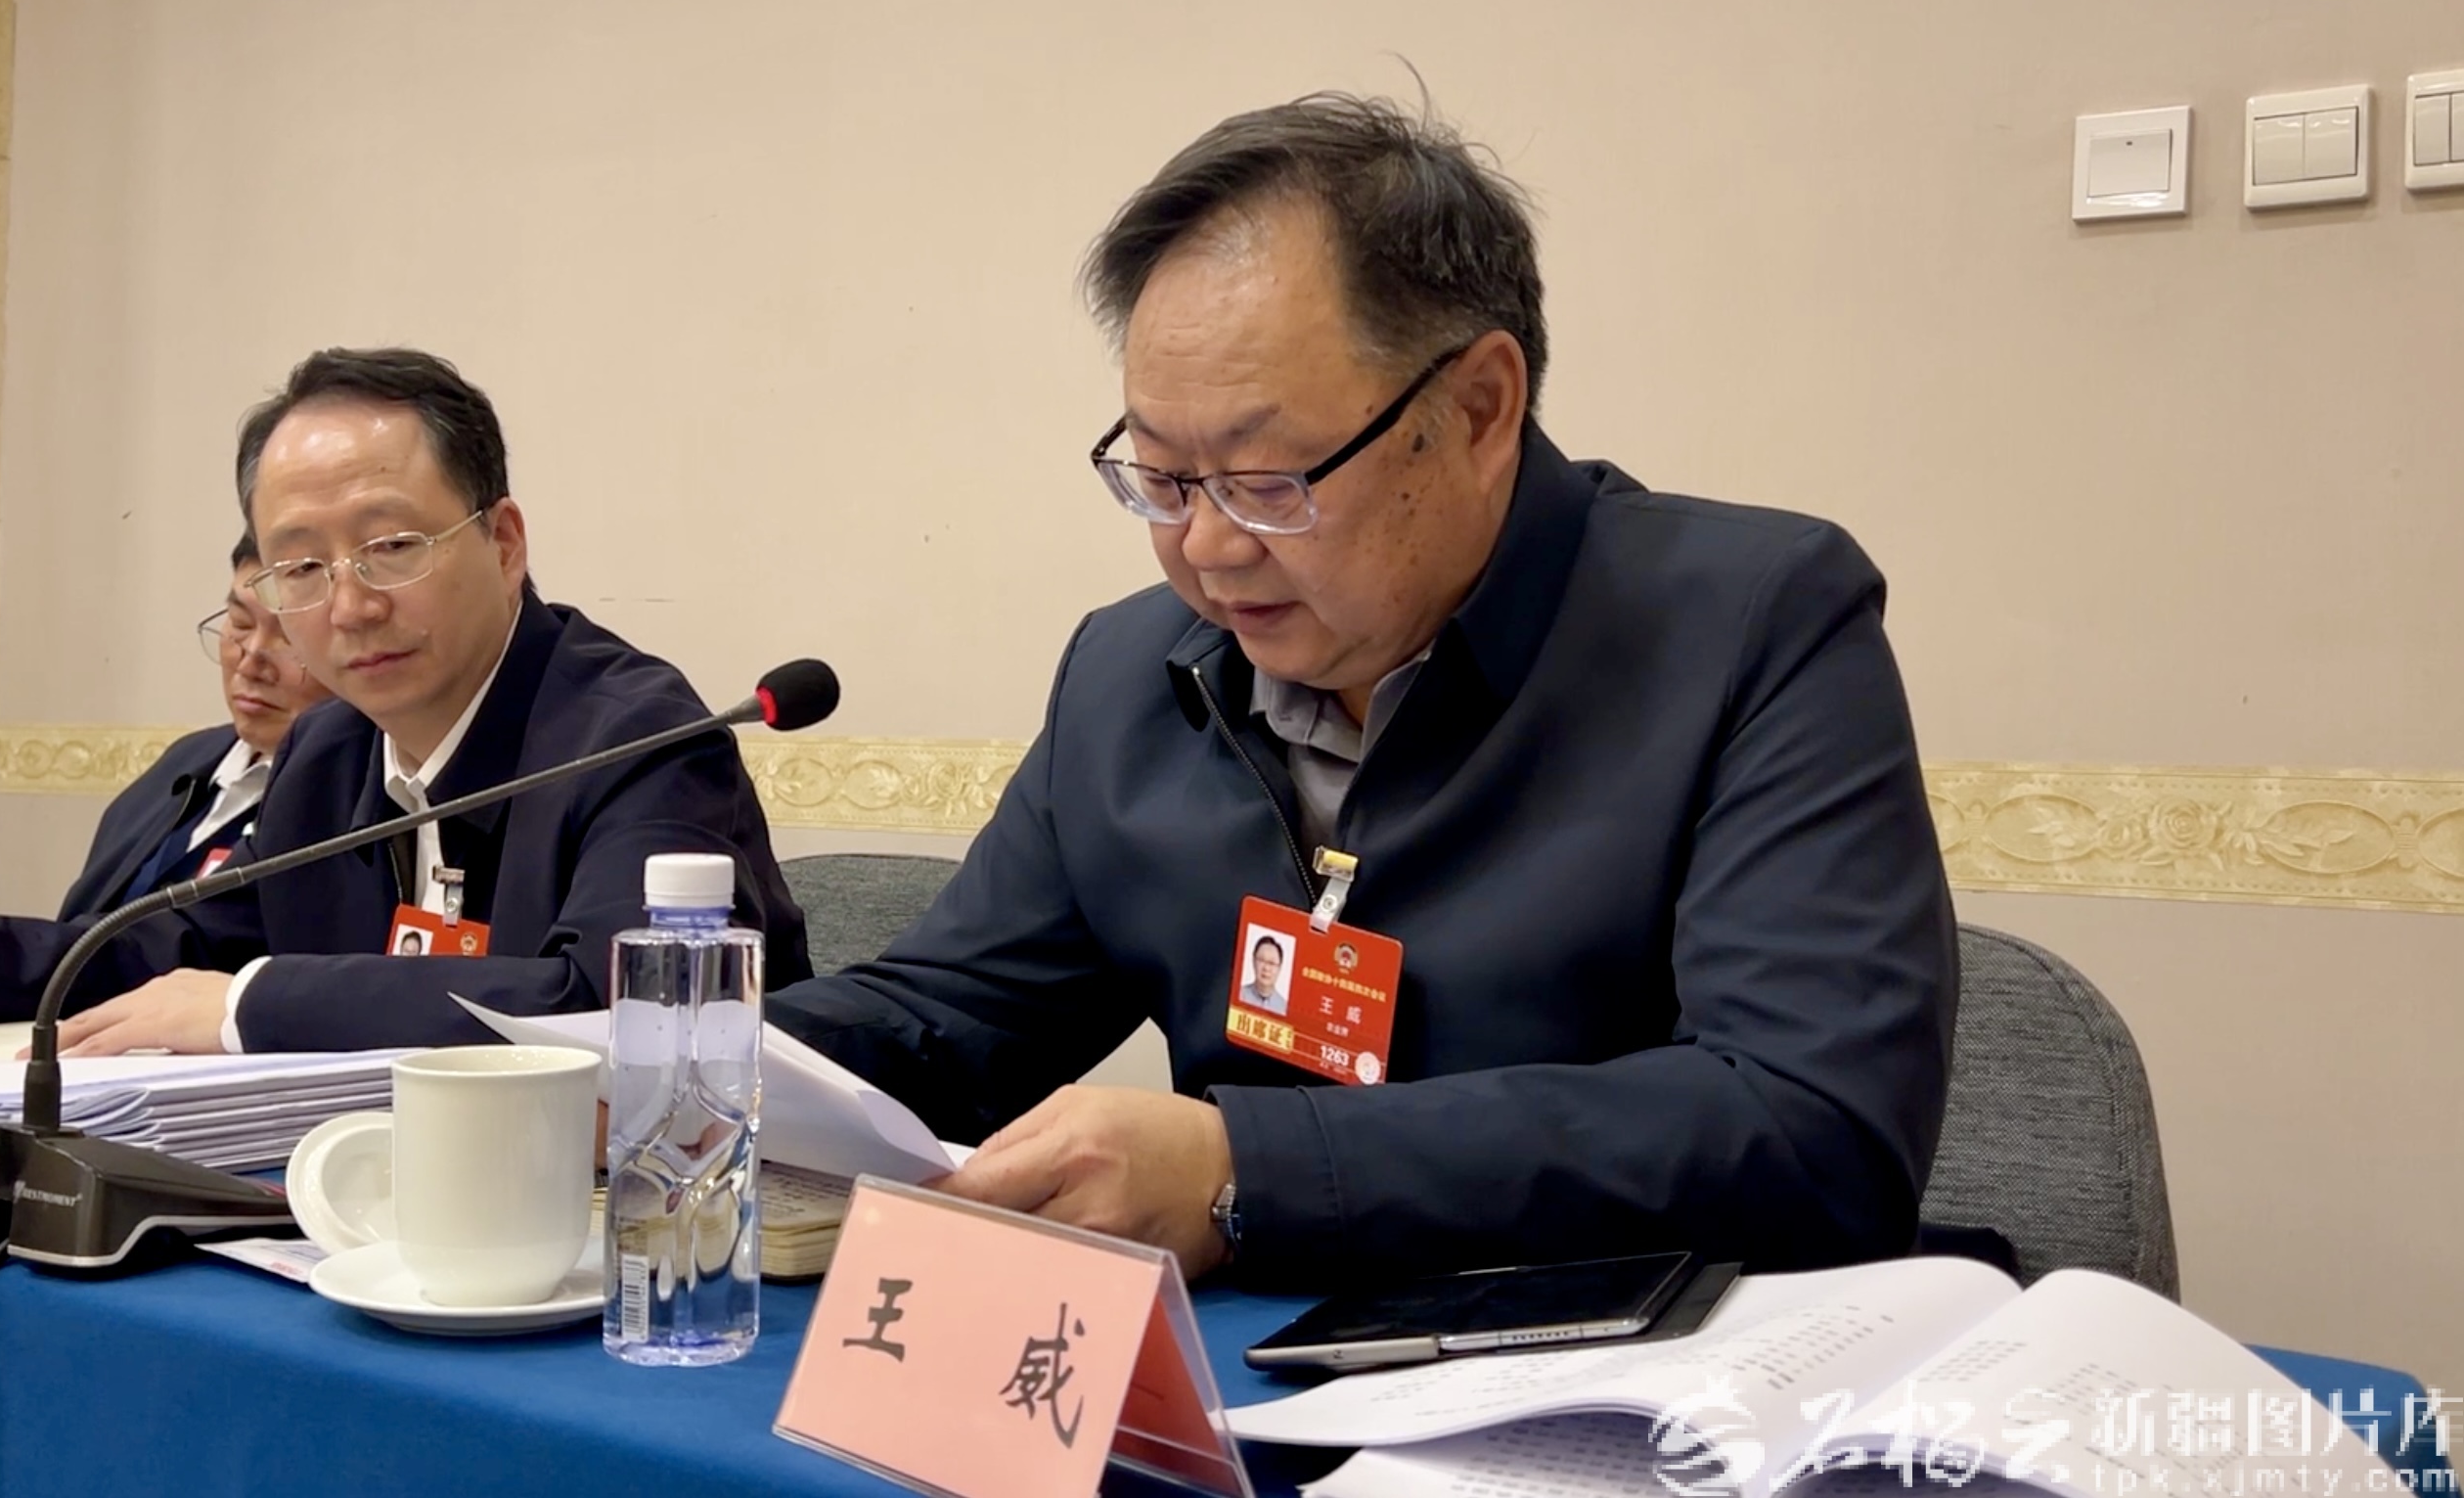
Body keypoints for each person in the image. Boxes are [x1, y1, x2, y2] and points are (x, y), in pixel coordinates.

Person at [767, 94, 1956, 1285]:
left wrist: (1246, 1169)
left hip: (1629, 1365)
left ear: (1479, 410)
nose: (1208, 550)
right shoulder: (1131, 671)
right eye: (1162, 478)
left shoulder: (1748, 626)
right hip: (1255, 1362)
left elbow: (1812, 1133)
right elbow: (951, 1018)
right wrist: (692, 1053)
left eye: (1267, 480)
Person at [0, 347, 810, 1052]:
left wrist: (257, 1004)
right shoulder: (330, 749)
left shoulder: (637, 736)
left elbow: (615, 1010)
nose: (350, 606)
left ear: (504, 544)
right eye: (302, 568)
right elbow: (171, 952)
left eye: (392, 547)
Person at [55, 534, 334, 918]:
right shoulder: (186, 761)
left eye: (288, 637)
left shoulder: (347, 801)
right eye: (240, 623)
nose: (250, 661)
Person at [1236, 931, 1288, 1016]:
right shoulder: (1238, 994)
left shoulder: (1284, 1008)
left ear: (1279, 968)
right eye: (1261, 960)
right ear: (1253, 961)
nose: (1266, 968)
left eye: (1271, 963)